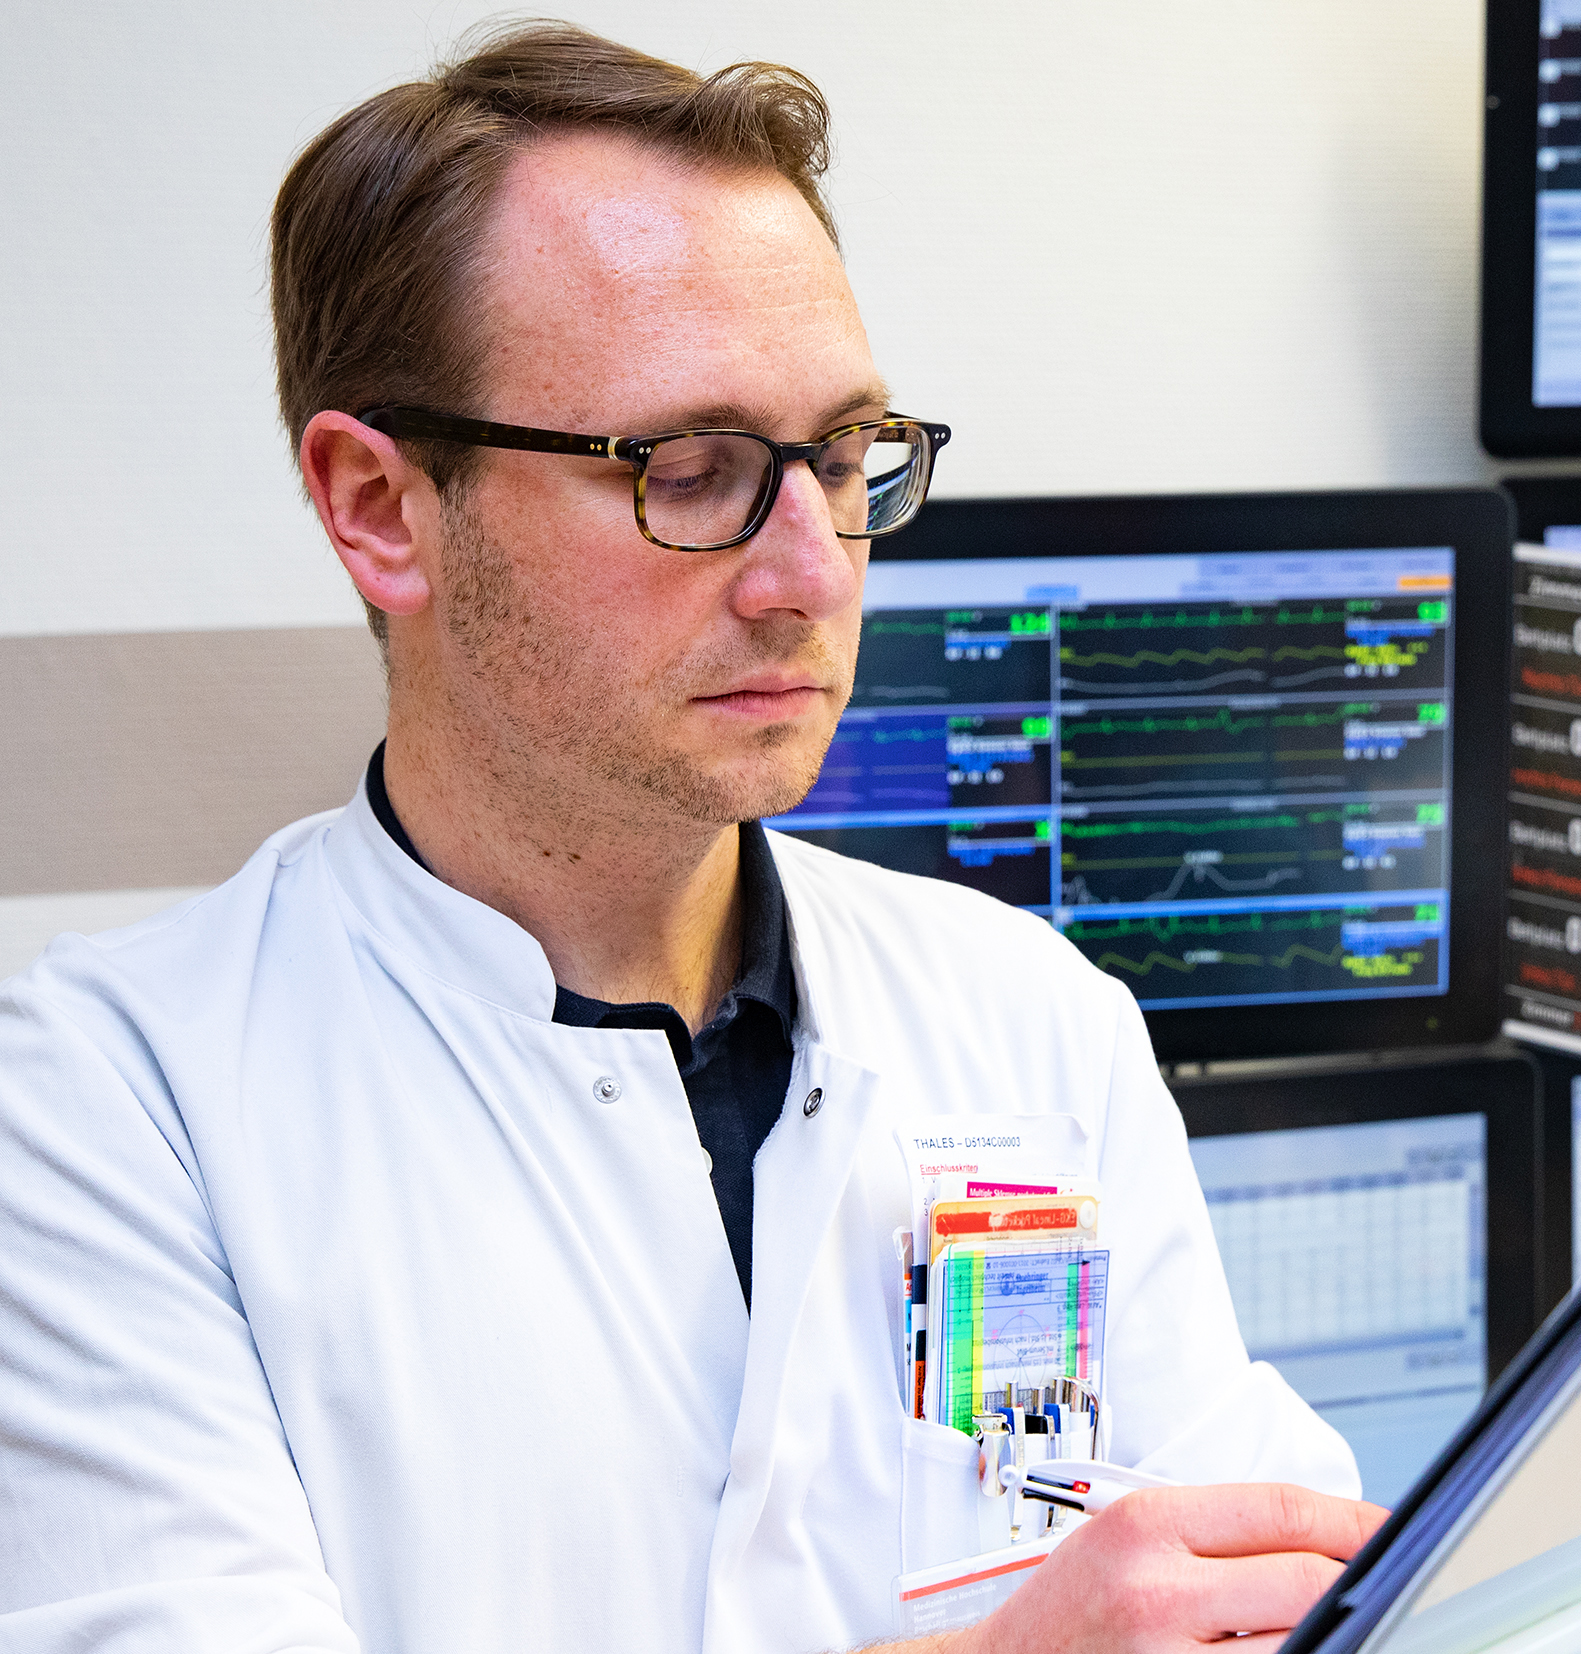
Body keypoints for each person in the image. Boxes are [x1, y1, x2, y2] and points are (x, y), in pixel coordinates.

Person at [0, 23, 1385, 1654]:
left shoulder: (1026, 1017)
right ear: (380, 505)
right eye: (690, 467)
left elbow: (1264, 1572)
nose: (808, 570)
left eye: (845, 455)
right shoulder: (105, 1110)